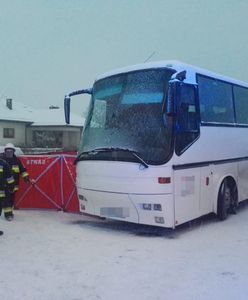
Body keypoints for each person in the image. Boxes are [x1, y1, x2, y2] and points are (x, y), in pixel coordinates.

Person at [1, 143, 30, 221]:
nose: (9, 153)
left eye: (11, 151)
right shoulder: (1, 160)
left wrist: (26, 177)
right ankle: (8, 214)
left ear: (13, 151)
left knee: (10, 200)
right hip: (2, 185)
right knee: (6, 200)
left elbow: (23, 170)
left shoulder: (17, 161)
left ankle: (9, 213)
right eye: (7, 151)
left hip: (13, 185)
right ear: (5, 151)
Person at [0, 156, 15, 232]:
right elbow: (9, 177)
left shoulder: (4, 163)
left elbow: (9, 176)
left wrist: (11, 185)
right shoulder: (3, 163)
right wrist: (11, 186)